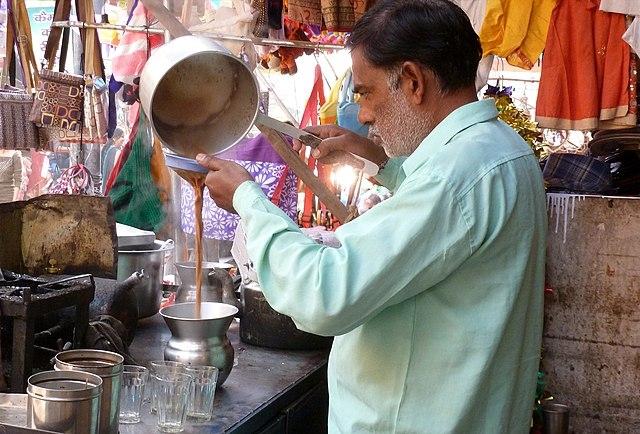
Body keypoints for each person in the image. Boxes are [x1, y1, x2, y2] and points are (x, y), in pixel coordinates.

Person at [197, 0, 547, 432]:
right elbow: (446, 234)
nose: (362, 114)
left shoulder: (455, 177)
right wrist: (378, 160)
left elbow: (324, 293)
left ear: (414, 81)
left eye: (366, 92)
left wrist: (248, 201)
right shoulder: (502, 151)